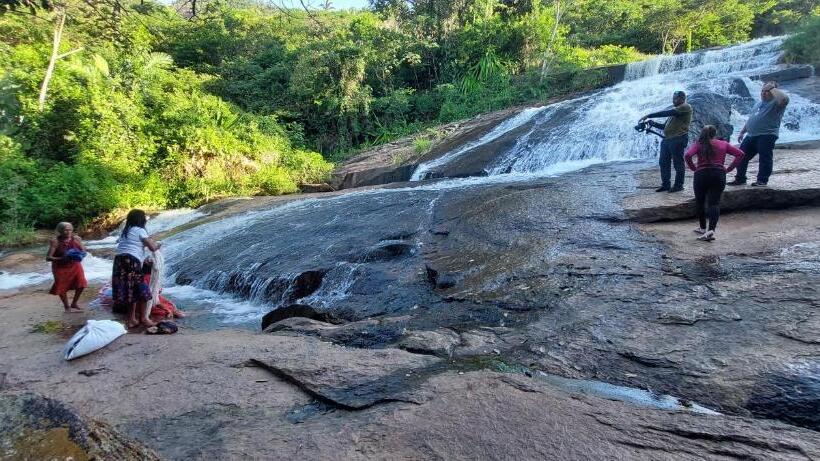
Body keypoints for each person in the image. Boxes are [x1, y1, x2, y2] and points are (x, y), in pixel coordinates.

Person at [684, 125, 745, 241]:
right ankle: (711, 230)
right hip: (719, 174)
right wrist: (729, 168)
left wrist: (693, 168)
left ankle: (702, 228)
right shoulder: (723, 144)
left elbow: (687, 155)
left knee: (700, 201)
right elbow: (740, 154)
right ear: (715, 134)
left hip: (701, 174)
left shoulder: (698, 144)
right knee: (714, 203)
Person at [729, 81, 789, 187]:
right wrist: (743, 132)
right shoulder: (758, 103)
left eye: (767, 91)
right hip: (751, 135)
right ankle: (740, 179)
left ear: (774, 92)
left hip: (767, 135)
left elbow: (785, 99)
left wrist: (772, 88)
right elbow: (751, 119)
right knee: (740, 156)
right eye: (762, 91)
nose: (763, 93)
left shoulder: (777, 103)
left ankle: (762, 180)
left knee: (764, 158)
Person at [112, 209, 160, 329]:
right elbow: (152, 247)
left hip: (119, 261)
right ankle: (144, 318)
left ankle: (131, 319)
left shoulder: (126, 231)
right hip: (131, 261)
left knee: (130, 290)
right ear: (141, 219)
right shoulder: (140, 230)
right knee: (142, 289)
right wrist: (158, 244)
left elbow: (125, 243)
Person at [639, 90, 693, 193]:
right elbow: (664, 127)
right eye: (673, 98)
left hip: (678, 138)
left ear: (682, 98)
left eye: (675, 98)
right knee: (663, 162)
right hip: (667, 139)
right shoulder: (675, 112)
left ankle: (678, 185)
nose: (673, 100)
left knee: (678, 163)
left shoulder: (686, 107)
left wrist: (649, 115)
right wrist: (653, 123)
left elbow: (668, 112)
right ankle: (666, 184)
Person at [46, 222, 88, 312]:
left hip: (75, 265)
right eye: (66, 230)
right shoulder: (55, 241)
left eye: (70, 229)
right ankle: (67, 307)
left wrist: (80, 254)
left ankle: (74, 303)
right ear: (60, 231)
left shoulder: (77, 239)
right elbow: (48, 257)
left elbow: (84, 251)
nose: (68, 231)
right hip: (60, 267)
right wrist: (62, 258)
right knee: (61, 286)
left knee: (82, 283)